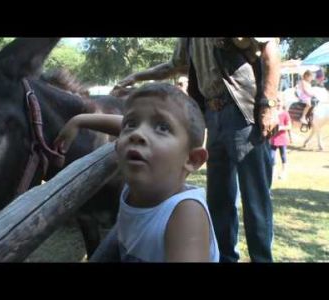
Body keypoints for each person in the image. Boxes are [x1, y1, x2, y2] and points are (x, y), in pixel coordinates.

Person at [116, 38, 280, 262]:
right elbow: (174, 65)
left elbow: (269, 46)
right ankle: (224, 258)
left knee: (255, 199)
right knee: (219, 199)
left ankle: (262, 259)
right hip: (212, 113)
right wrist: (137, 76)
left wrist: (268, 104)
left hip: (243, 113)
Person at [55, 83, 219, 262]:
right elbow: (122, 125)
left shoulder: (186, 215)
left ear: (192, 159)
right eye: (132, 124)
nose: (137, 134)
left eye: (162, 128)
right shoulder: (139, 189)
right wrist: (79, 121)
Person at [269, 99, 291, 180]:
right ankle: (273, 172)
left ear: (283, 103)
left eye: (280, 101)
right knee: (271, 157)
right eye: (277, 101)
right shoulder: (272, 113)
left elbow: (289, 126)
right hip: (273, 139)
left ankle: (284, 171)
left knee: (283, 156)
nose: (278, 103)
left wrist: (281, 127)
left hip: (282, 139)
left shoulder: (285, 113)